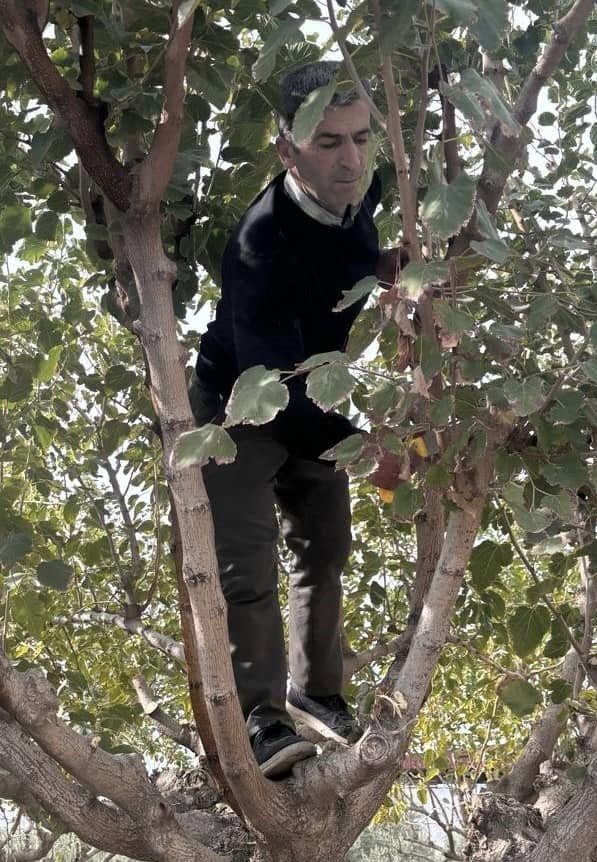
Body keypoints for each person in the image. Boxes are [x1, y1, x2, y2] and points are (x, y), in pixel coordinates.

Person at [190, 61, 393, 778]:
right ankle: (261, 720)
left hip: (316, 395)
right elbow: (268, 385)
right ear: (287, 150)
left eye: (362, 139)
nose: (351, 160)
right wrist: (365, 450)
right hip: (240, 406)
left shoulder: (361, 193)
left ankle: (319, 693)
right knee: (245, 571)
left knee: (327, 546)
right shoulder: (259, 245)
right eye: (330, 143)